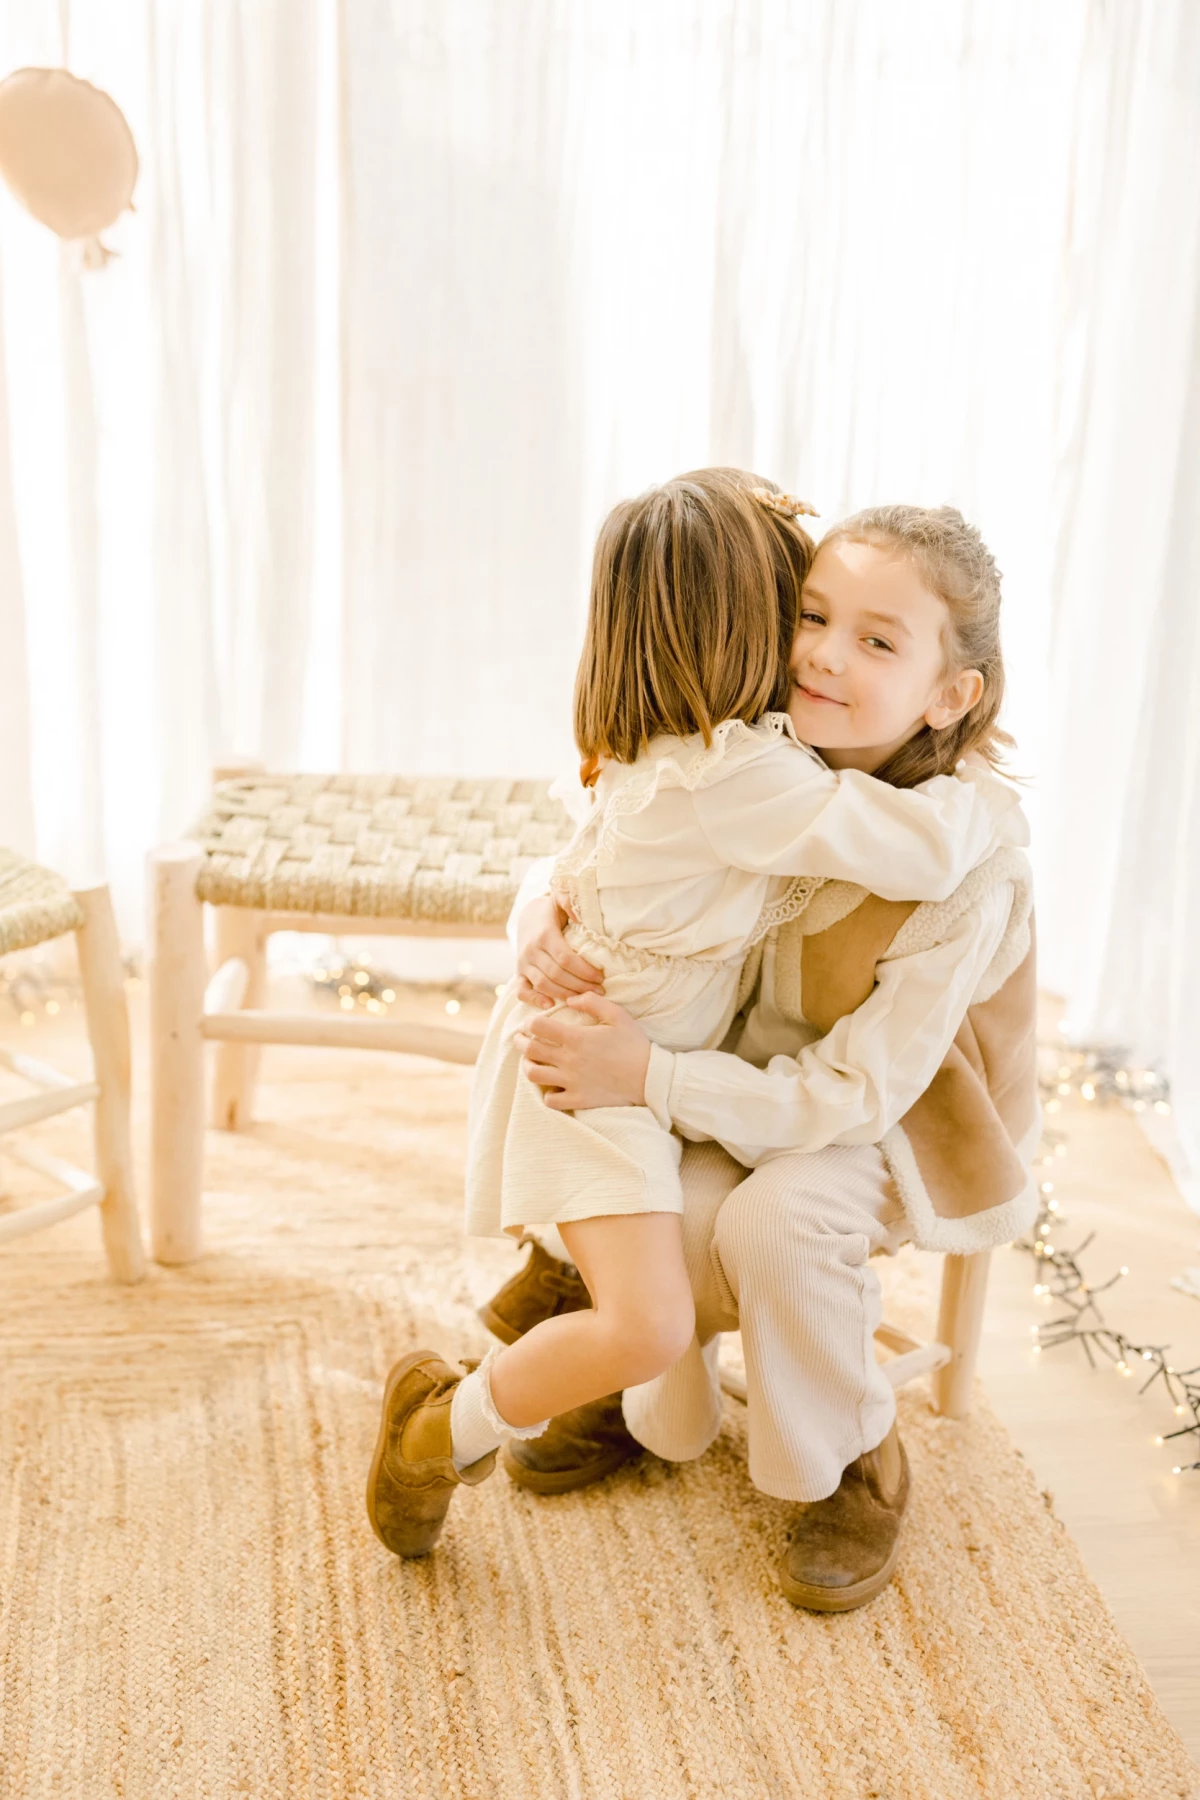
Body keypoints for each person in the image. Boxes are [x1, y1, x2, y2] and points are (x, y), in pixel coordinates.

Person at [365, 479, 1026, 1568]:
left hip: (875, 1116)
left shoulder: (943, 855)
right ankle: (599, 1367)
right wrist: (537, 912)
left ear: (951, 694)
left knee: (767, 1222)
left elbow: (859, 1089)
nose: (823, 656)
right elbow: (591, 829)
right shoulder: (756, 752)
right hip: (671, 1066)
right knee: (659, 1250)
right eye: (809, 616)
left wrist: (653, 1079)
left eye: (874, 641)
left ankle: (852, 1452)